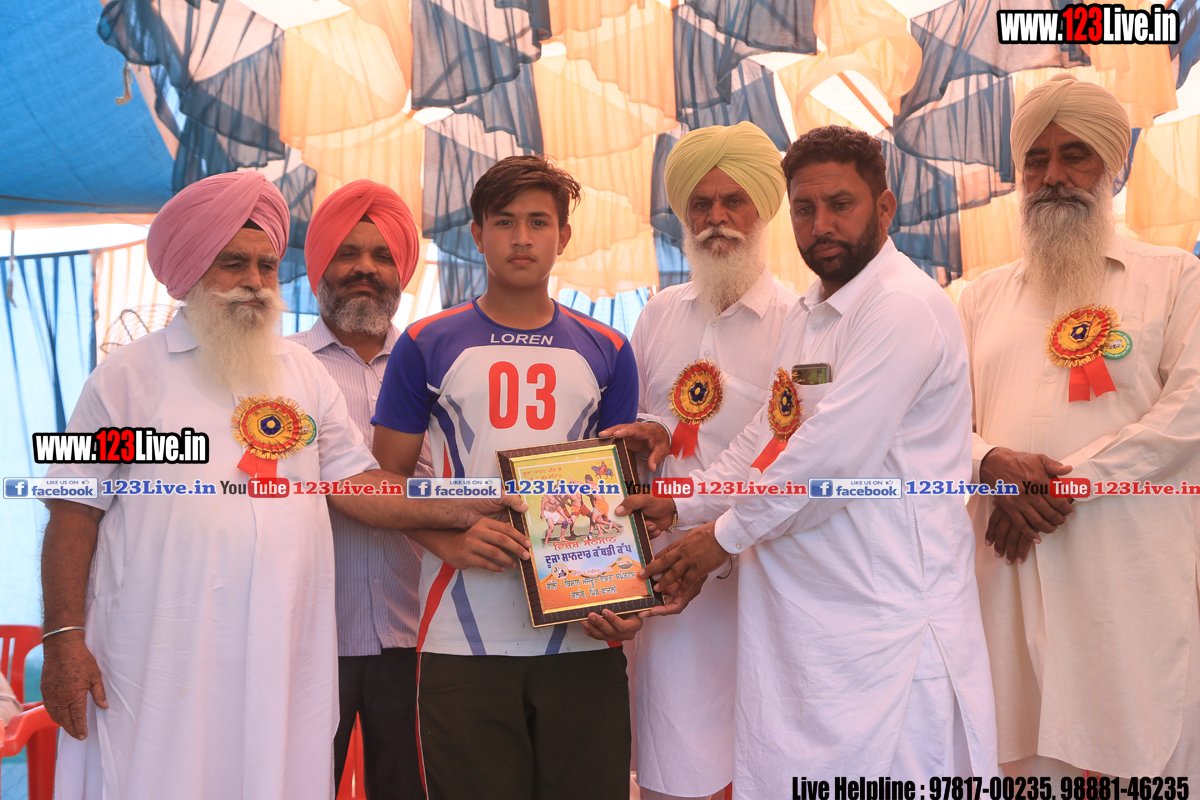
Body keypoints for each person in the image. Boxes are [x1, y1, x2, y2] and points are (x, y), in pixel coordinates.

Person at [38, 171, 525, 800]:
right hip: (157, 650)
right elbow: (73, 509)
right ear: (191, 270)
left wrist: (477, 502)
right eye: (233, 263)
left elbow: (361, 486)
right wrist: (62, 639)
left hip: (280, 648)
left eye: (267, 266)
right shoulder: (124, 377)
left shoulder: (301, 374)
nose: (254, 281)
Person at [619, 125, 999, 795]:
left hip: (888, 628)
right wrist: (680, 505)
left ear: (884, 208)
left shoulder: (901, 307)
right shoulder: (810, 314)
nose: (821, 225)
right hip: (813, 631)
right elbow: (767, 439)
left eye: (840, 204)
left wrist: (719, 537)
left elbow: (828, 461)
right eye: (805, 208)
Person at [370, 155, 679, 800]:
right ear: (476, 233)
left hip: (583, 634)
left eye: (539, 222)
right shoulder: (425, 343)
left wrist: (623, 598)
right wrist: (449, 542)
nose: (521, 237)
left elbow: (617, 493)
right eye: (504, 221)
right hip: (460, 629)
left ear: (563, 236)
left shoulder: (608, 349)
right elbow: (385, 483)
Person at [958, 73, 1200, 779]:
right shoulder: (978, 299)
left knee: (1141, 755)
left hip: (1125, 578)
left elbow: (1188, 412)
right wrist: (989, 463)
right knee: (1021, 762)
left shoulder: (1175, 279)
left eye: (1075, 155)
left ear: (1112, 165)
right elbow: (934, 422)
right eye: (1035, 160)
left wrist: (1062, 486)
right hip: (1005, 572)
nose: (1052, 177)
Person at [601, 121, 798, 800]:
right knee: (675, 763)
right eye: (701, 204)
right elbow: (647, 418)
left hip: (762, 570)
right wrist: (651, 430)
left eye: (733, 200)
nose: (717, 217)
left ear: (762, 209)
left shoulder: (798, 320)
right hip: (670, 575)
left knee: (769, 753)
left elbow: (788, 447)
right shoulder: (658, 314)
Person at [289, 179, 431, 798]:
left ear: (402, 271)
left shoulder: (434, 367)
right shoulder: (279, 368)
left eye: (381, 255)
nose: (365, 268)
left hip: (420, 631)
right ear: (319, 266)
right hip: (309, 633)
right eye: (347, 253)